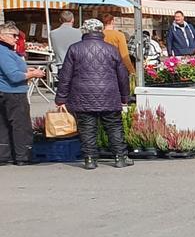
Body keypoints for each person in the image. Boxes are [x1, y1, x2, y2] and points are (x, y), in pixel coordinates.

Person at [55, 19, 130, 170]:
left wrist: (61, 98)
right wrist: (125, 97)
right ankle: (120, 157)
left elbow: (65, 76)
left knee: (87, 128)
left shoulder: (74, 49)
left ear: (84, 31)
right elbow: (122, 75)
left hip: (82, 95)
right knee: (114, 127)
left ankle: (90, 159)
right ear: (101, 31)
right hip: (109, 94)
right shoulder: (111, 49)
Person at [0, 22, 46, 165]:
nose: (16, 39)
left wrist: (27, 71)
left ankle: (5, 155)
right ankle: (23, 156)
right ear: (2, 36)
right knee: (20, 125)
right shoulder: (3, 52)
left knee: (4, 125)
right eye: (13, 36)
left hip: (7, 91)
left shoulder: (6, 51)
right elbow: (13, 75)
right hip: (13, 92)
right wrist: (33, 74)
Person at [96, 7, 136, 88]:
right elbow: (124, 55)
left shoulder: (98, 34)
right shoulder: (119, 35)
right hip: (114, 68)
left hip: (99, 66)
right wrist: (132, 70)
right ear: (112, 21)